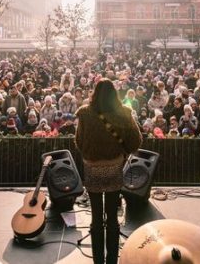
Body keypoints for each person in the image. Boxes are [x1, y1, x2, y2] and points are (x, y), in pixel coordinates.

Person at [75, 79, 142, 264]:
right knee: (112, 215)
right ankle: (112, 259)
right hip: (114, 166)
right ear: (115, 94)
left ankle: (98, 261)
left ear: (94, 93)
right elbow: (136, 141)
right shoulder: (124, 113)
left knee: (96, 215)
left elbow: (79, 142)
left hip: (92, 168)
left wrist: (92, 155)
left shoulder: (85, 113)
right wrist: (121, 152)